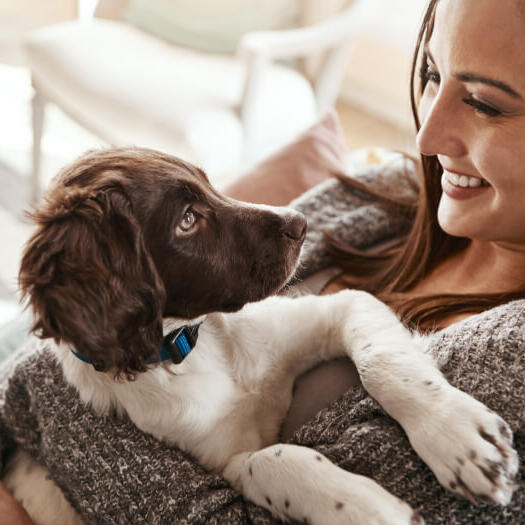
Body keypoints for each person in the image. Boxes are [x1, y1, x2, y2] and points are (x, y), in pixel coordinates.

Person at [1, 0, 524, 523]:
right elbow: (37, 360)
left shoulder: (507, 360)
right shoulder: (390, 189)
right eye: (432, 72)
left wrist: (423, 402)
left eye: (487, 103)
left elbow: (36, 381)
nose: (426, 137)